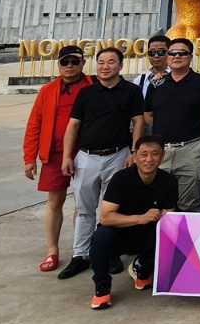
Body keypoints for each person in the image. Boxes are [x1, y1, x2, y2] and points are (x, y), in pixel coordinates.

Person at [60, 46, 146, 282]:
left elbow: (138, 122)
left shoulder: (131, 91)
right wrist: (67, 156)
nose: (105, 67)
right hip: (86, 157)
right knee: (84, 209)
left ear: (121, 65)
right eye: (101, 62)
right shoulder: (86, 93)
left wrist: (134, 152)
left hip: (118, 155)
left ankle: (111, 252)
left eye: (111, 62)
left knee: (113, 209)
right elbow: (73, 125)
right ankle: (81, 254)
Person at [23, 45, 91, 276]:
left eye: (75, 61)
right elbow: (35, 124)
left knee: (83, 204)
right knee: (54, 201)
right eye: (65, 62)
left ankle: (80, 250)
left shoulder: (92, 86)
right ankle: (52, 250)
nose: (70, 66)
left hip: (85, 152)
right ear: (59, 64)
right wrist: (29, 157)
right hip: (54, 154)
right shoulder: (48, 90)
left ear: (83, 63)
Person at [89, 133, 178, 309]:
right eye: (144, 154)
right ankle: (102, 286)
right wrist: (140, 218)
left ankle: (142, 267)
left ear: (162, 156)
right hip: (119, 234)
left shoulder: (169, 182)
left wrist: (163, 216)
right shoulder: (120, 179)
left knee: (171, 233)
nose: (149, 159)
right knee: (100, 238)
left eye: (155, 153)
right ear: (135, 156)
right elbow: (106, 217)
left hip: (147, 235)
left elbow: (170, 217)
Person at [143, 37, 200, 212]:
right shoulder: (157, 83)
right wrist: (165, 127)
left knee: (189, 203)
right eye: (172, 53)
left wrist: (194, 126)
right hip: (161, 150)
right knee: (156, 202)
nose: (177, 56)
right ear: (167, 56)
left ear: (190, 57)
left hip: (190, 150)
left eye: (182, 53)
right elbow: (148, 114)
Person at [132, 33, 169, 100]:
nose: (156, 56)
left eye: (161, 52)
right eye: (152, 52)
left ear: (169, 53)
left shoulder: (177, 77)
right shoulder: (139, 81)